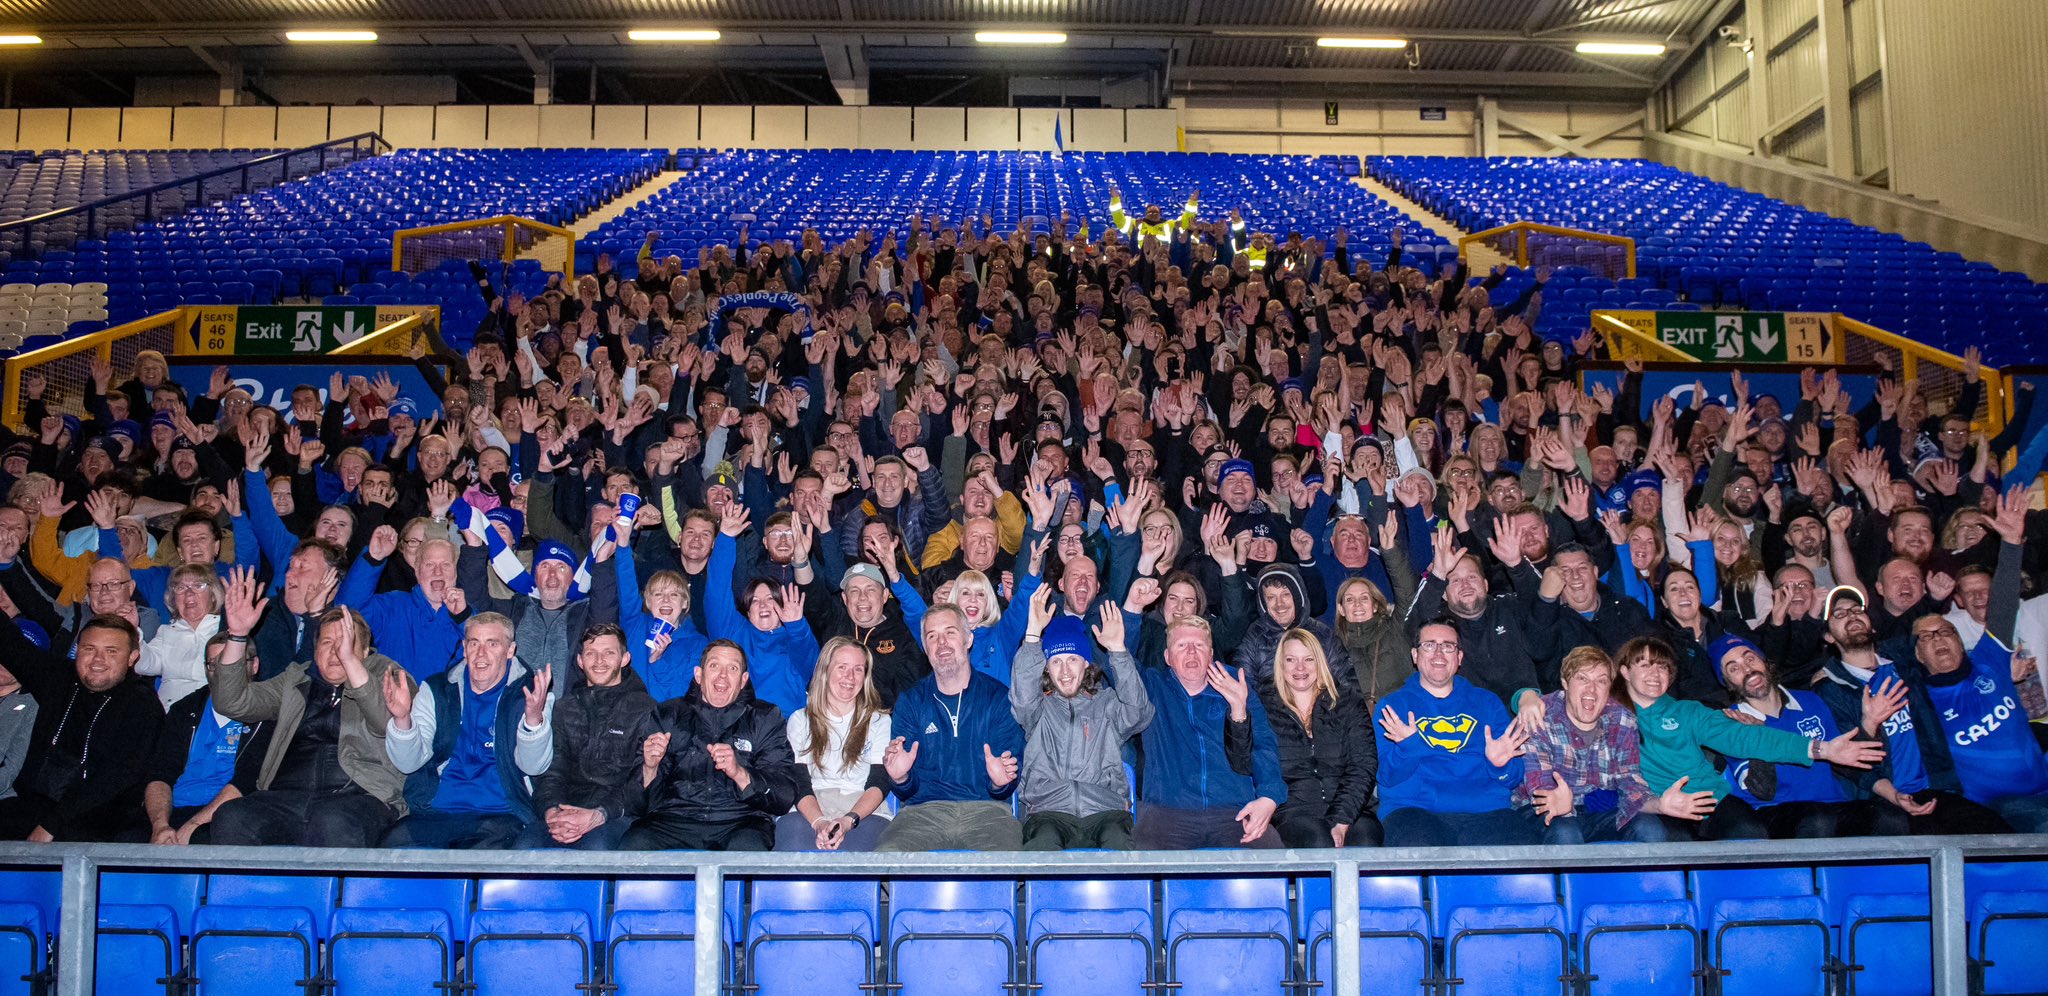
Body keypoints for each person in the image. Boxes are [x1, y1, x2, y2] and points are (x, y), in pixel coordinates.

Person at [206, 572, 416, 848]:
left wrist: (351, 664)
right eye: (327, 643)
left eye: (346, 644)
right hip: (285, 796)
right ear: (315, 650)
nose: (335, 652)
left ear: (366, 651)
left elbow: (385, 723)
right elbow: (232, 702)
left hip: (361, 796)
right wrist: (238, 635)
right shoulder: (298, 678)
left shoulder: (390, 674)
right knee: (232, 816)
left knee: (332, 821)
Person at [1617, 636, 1884, 841]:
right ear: (1625, 672)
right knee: (1670, 841)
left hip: (1709, 801)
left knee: (1748, 832)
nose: (1655, 673)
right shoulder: (1611, 718)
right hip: (1658, 805)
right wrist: (1656, 803)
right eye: (1645, 664)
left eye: (1663, 667)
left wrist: (1821, 749)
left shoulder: (1688, 711)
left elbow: (1745, 738)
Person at [382, 612, 553, 849]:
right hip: (436, 811)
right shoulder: (436, 690)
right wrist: (402, 719)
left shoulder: (533, 692)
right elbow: (408, 764)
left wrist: (533, 720)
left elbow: (534, 766)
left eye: (492, 644)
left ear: (510, 650)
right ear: (464, 647)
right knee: (391, 850)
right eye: (474, 643)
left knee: (481, 859)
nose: (481, 654)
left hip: (501, 813)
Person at [624, 641, 807, 850]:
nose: (722, 676)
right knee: (634, 844)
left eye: (733, 668)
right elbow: (634, 805)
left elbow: (783, 797)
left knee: (748, 850)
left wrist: (740, 773)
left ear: (743, 680)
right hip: (672, 819)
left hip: (740, 822)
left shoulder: (765, 717)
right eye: (714, 666)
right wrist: (649, 768)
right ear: (699, 675)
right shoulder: (668, 714)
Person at [1374, 617, 1539, 846]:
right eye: (1429, 645)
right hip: (1414, 811)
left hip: (1486, 812)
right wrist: (1407, 749)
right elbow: (1386, 777)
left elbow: (1512, 778)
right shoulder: (1392, 707)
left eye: (1448, 646)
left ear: (1459, 658)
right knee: (1419, 846)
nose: (1439, 653)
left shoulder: (1487, 703)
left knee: (1521, 851)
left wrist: (1499, 764)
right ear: (1415, 655)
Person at [875, 604, 1026, 851]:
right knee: (886, 861)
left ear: (968, 639)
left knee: (1007, 866)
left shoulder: (998, 698)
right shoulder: (911, 702)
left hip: (987, 812)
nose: (941, 643)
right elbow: (906, 790)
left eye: (950, 633)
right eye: (932, 636)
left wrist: (1000, 783)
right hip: (922, 814)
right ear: (925, 648)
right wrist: (900, 777)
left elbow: (1004, 786)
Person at [0, 612, 161, 841]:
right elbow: (9, 642)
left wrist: (51, 826)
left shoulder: (143, 705)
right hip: (35, 805)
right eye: (89, 649)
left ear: (132, 657)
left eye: (111, 651)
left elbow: (114, 779)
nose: (97, 659)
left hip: (101, 818)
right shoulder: (60, 679)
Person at [1010, 595, 1153, 850]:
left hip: (1104, 809)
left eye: (1072, 659)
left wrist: (1118, 652)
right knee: (1042, 846)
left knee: (1119, 844)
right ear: (1046, 669)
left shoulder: (1107, 703)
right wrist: (1032, 635)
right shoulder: (1038, 708)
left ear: (1086, 664)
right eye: (1056, 662)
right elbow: (1021, 698)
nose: (1065, 672)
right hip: (1048, 811)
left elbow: (1138, 712)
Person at [1134, 617, 1287, 849]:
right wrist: (1132, 613)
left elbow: (1263, 745)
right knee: (1138, 870)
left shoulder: (1236, 685)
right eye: (1182, 645)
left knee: (1271, 857)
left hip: (1233, 812)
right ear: (1167, 657)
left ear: (1211, 653)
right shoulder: (1152, 687)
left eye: (1200, 645)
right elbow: (1116, 662)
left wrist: (1269, 797)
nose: (1192, 652)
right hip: (1166, 812)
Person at [1513, 646, 1678, 844]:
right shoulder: (1539, 716)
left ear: (1609, 687)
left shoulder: (1623, 720)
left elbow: (1629, 781)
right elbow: (1540, 785)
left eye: (1601, 681)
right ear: (1565, 683)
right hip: (1543, 809)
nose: (1591, 688)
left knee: (1651, 829)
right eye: (1582, 678)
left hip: (1599, 810)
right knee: (1566, 832)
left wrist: (1658, 805)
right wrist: (1561, 802)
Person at [521, 623, 658, 850]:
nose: (599, 661)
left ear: (625, 659)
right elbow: (551, 772)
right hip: (564, 811)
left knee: (596, 850)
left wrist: (599, 814)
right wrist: (552, 812)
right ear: (580, 661)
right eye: (591, 654)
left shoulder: (646, 710)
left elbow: (640, 782)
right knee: (526, 849)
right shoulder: (564, 708)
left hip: (615, 815)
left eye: (609, 653)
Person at [144, 633, 267, 846]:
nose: (222, 670)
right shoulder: (184, 710)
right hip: (176, 809)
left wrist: (194, 824)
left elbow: (249, 780)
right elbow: (160, 774)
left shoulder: (267, 712)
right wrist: (160, 825)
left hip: (230, 813)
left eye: (232, 663)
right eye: (213, 664)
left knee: (209, 836)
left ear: (254, 665)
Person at [1262, 627, 1379, 847]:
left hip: (1353, 810)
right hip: (1295, 813)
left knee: (1365, 841)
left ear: (1320, 662)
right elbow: (1244, 762)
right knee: (1319, 842)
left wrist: (1341, 819)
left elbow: (1363, 764)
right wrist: (1238, 715)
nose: (1300, 668)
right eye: (1291, 659)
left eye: (1308, 659)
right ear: (1280, 664)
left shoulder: (1348, 702)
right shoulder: (1265, 706)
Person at [777, 638, 893, 852]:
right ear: (825, 671)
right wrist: (819, 822)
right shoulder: (800, 720)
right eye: (842, 667)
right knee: (792, 841)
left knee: (859, 854)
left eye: (858, 669)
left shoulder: (879, 721)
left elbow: (879, 782)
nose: (850, 677)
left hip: (862, 809)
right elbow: (798, 781)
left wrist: (849, 820)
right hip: (810, 806)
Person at [135, 563, 224, 709]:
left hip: (210, 709)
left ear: (213, 595)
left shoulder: (224, 629)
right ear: (173, 598)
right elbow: (143, 665)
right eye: (181, 588)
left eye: (198, 585)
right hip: (169, 712)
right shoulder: (167, 631)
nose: (189, 593)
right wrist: (133, 629)